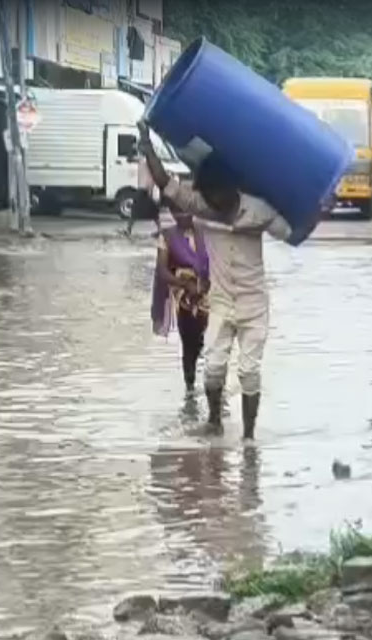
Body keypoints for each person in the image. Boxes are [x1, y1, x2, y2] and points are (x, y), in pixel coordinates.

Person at [137, 120, 325, 440]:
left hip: (254, 304)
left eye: (217, 196)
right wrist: (147, 145)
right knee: (212, 367)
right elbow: (166, 183)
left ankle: (249, 437)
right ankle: (214, 422)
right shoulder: (203, 207)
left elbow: (294, 235)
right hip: (221, 301)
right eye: (207, 197)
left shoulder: (260, 211)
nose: (214, 204)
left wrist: (319, 209)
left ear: (231, 188)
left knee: (249, 372)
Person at [152, 198, 209, 393]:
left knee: (214, 343)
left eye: (187, 212)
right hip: (184, 294)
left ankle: (215, 393)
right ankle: (190, 389)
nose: (183, 216)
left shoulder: (207, 232)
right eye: (179, 213)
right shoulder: (167, 237)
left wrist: (203, 285)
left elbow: (220, 262)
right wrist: (185, 284)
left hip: (210, 292)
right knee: (189, 343)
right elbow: (162, 270)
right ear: (173, 214)